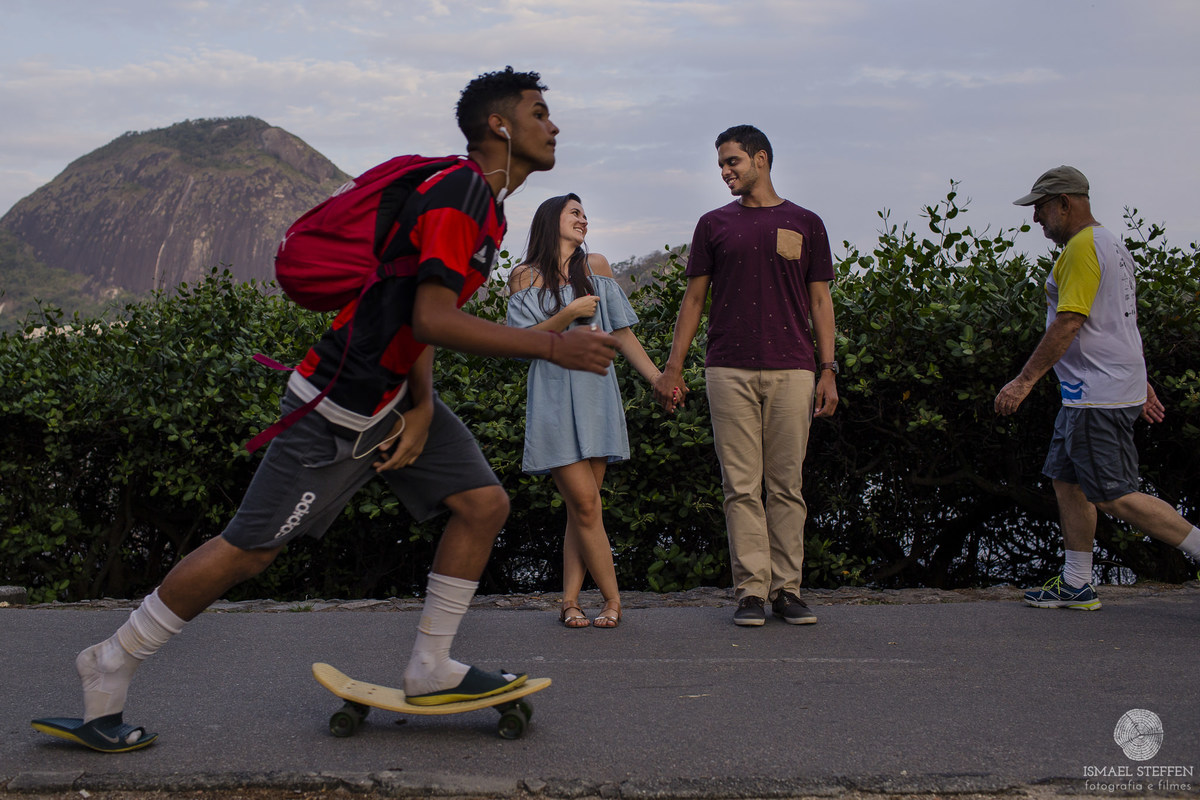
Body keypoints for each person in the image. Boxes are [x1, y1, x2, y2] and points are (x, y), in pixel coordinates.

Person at [39, 67, 619, 752]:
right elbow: (433, 318)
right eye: (540, 112)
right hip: (338, 408)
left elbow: (416, 312)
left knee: (483, 504)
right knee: (247, 552)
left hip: (397, 401)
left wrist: (425, 404)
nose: (553, 126)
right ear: (500, 125)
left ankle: (431, 666)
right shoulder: (461, 190)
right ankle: (111, 658)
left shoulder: (483, 208)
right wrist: (551, 348)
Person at [653, 125, 839, 627]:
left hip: (795, 369)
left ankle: (788, 590)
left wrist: (829, 369)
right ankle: (751, 592)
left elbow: (821, 301)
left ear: (761, 158)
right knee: (740, 486)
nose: (725, 171)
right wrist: (673, 366)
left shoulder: (806, 222)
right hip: (727, 368)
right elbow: (694, 299)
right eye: (720, 165)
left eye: (733, 161)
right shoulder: (713, 224)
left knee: (786, 486)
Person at [996, 165, 1200, 610]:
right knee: (1066, 480)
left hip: (1096, 394)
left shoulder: (1082, 248)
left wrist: (1023, 381)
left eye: (1040, 208)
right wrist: (1141, 382)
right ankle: (1077, 584)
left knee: (1114, 495)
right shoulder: (1110, 244)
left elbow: (1071, 321)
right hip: (1091, 391)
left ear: (1065, 203)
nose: (1035, 220)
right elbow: (1123, 318)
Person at [506, 194, 662, 629]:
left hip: (597, 395)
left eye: (585, 214)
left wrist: (657, 379)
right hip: (554, 400)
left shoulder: (598, 268)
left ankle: (570, 602)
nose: (583, 219)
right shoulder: (524, 276)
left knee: (583, 508)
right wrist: (570, 312)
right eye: (574, 212)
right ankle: (613, 600)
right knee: (587, 505)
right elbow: (522, 343)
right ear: (550, 218)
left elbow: (624, 334)